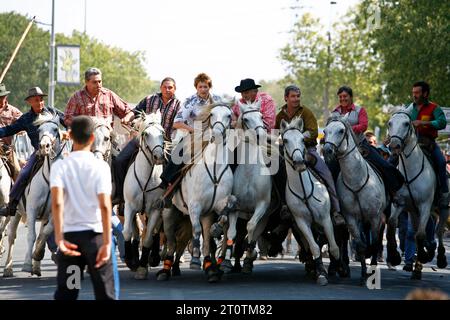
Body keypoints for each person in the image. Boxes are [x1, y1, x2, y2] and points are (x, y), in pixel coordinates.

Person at [51, 116, 115, 300]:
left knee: (69, 293)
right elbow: (104, 205)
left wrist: (59, 239)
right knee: (104, 294)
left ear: (69, 135)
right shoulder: (101, 166)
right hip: (96, 240)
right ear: (93, 138)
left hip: (71, 241)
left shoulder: (60, 166)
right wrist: (107, 243)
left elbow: (57, 203)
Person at [275, 85, 345, 226]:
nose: (296, 99)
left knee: (326, 173)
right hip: (287, 153)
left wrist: (298, 138)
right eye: (293, 96)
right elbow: (275, 134)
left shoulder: (306, 112)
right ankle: (282, 207)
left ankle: (336, 211)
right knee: (274, 173)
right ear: (286, 98)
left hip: (308, 151)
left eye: (298, 96)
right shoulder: (280, 116)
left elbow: (313, 133)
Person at [112, 77, 181, 204]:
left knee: (175, 166)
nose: (167, 90)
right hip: (144, 138)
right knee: (119, 161)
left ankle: (168, 199)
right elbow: (135, 111)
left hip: (165, 142)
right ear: (161, 88)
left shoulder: (178, 105)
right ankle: (121, 196)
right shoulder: (150, 99)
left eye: (170, 87)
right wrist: (127, 117)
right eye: (165, 87)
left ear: (175, 89)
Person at [0, 87, 67, 217]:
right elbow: (9, 130)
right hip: (39, 154)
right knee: (23, 173)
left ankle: (77, 202)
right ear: (30, 102)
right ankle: (12, 205)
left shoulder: (53, 113)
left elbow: (69, 121)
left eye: (41, 99)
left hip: (57, 154)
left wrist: (70, 130)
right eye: (36, 100)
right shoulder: (25, 119)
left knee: (72, 172)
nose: (40, 103)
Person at [329, 85, 404, 199]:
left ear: (351, 97)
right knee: (329, 170)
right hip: (340, 149)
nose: (342, 99)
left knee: (384, 165)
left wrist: (347, 129)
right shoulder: (335, 113)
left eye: (345, 96)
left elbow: (364, 126)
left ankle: (395, 193)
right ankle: (332, 199)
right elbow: (330, 127)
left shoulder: (360, 110)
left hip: (361, 145)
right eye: (340, 97)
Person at [158, 73, 221, 202]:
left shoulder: (217, 100)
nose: (203, 89)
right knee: (178, 155)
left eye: (205, 87)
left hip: (214, 134)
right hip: (194, 135)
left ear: (210, 87)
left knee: (233, 154)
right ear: (196, 87)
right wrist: (194, 130)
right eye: (200, 87)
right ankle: (167, 186)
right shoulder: (190, 101)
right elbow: (176, 123)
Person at [405, 81, 448, 204]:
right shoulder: (409, 108)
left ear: (425, 93)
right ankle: (391, 191)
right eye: (413, 93)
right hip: (409, 144)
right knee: (392, 160)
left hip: (428, 143)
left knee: (441, 162)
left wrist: (425, 123)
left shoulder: (434, 108)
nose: (414, 95)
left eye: (417, 93)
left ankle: (444, 194)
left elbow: (442, 123)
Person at [64, 67, 134, 128]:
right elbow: (67, 118)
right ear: (86, 82)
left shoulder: (109, 95)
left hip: (107, 139)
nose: (98, 85)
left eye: (100, 81)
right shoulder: (77, 97)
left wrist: (127, 118)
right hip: (85, 139)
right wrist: (84, 122)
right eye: (94, 82)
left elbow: (127, 111)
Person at [0, 83, 23, 179]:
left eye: (2, 98)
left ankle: (17, 194)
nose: (0, 100)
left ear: (6, 97)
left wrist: (20, 129)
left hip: (6, 150)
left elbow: (24, 121)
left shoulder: (13, 111)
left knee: (18, 172)